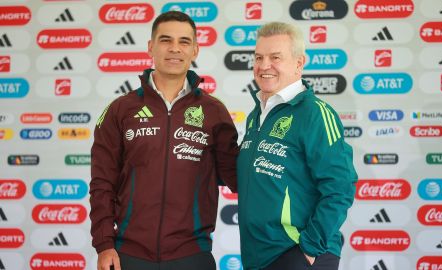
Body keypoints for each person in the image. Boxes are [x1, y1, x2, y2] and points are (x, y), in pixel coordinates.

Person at [89, 11, 238, 270]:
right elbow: (102, 182)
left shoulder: (214, 112)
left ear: (195, 50)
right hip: (128, 255)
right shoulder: (121, 109)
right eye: (166, 40)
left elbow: (238, 177)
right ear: (151, 47)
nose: (174, 49)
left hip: (193, 254)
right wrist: (104, 245)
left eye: (184, 42)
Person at [236, 22, 357, 270]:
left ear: (299, 63)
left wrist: (310, 248)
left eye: (275, 57)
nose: (264, 65)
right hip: (258, 256)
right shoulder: (256, 116)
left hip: (297, 254)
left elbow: (340, 187)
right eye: (259, 57)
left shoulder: (315, 114)